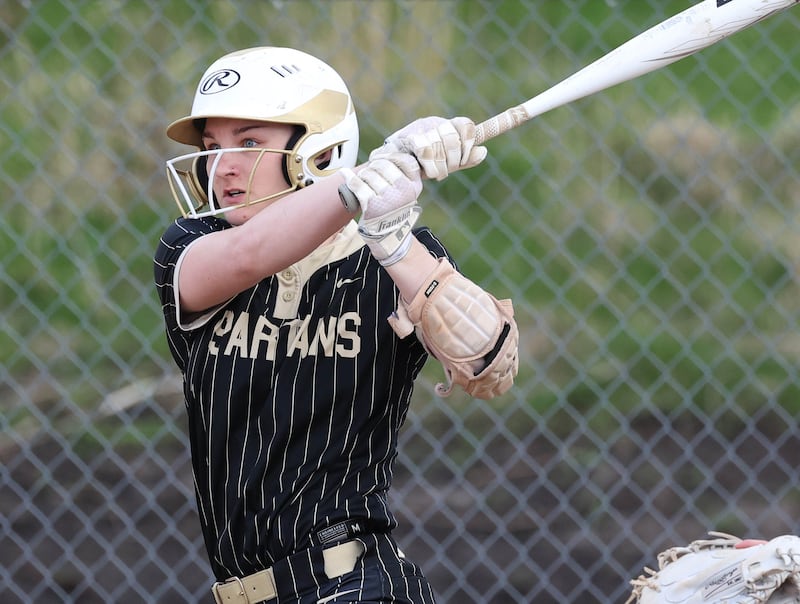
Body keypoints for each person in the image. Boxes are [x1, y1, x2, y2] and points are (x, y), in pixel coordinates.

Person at [154, 46, 518, 604]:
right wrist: (359, 182)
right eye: (211, 147)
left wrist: (394, 240)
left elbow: (489, 368)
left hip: (354, 582)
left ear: (317, 153)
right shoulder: (190, 249)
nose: (221, 165)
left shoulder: (389, 257)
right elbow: (251, 254)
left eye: (249, 143)